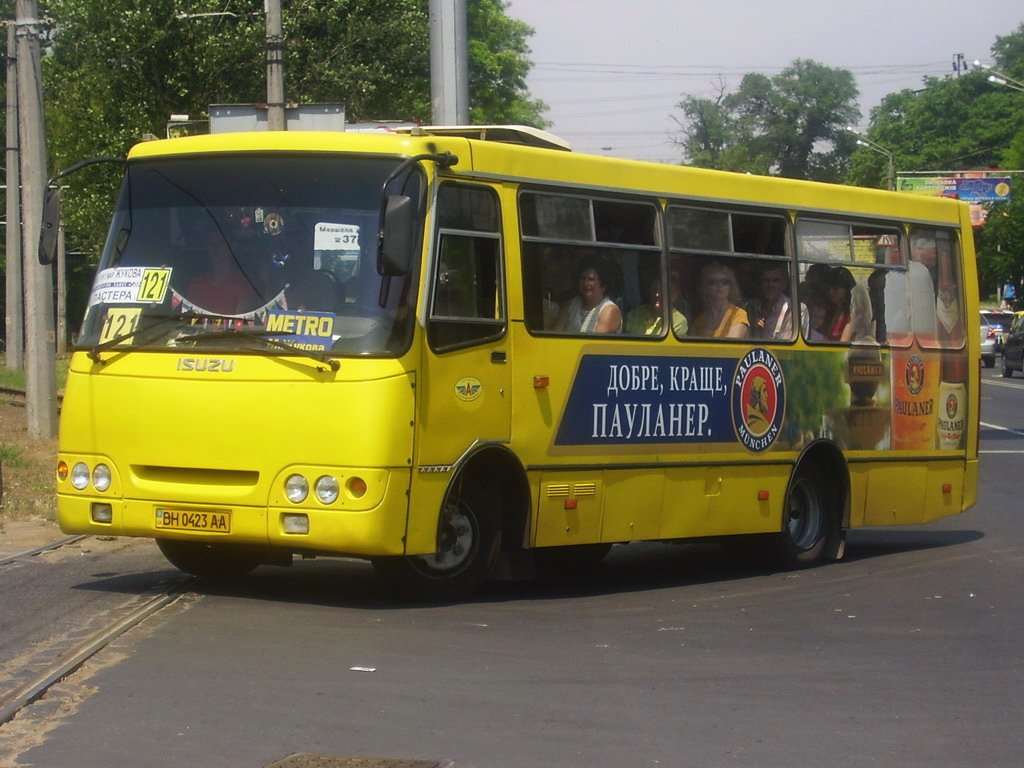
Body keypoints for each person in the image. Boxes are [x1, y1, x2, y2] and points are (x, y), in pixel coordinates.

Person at [186, 231, 258, 314]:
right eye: (211, 244)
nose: (215, 248)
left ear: (232, 247)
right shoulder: (197, 284)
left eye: (219, 243)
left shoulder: (243, 282)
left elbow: (241, 318)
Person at [553, 255, 622, 333]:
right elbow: (556, 335)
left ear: (603, 284)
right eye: (583, 278)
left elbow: (596, 343)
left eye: (590, 279)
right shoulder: (570, 305)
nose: (585, 283)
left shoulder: (609, 310)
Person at [689, 262, 749, 338]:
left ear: (730, 287)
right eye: (713, 282)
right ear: (704, 288)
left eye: (724, 282)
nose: (720, 285)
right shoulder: (699, 321)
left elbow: (730, 346)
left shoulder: (738, 314)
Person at [748, 263, 797, 340]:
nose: (770, 285)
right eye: (766, 280)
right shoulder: (750, 307)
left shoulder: (795, 310)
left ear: (784, 284)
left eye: (775, 280)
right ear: (759, 284)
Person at [826, 266, 856, 341]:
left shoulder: (851, 317)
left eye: (835, 288)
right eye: (829, 288)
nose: (831, 292)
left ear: (846, 290)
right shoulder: (827, 313)